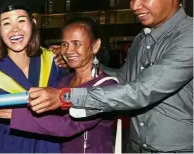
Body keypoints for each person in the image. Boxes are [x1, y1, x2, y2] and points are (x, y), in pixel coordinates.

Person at [27, 0, 193, 152]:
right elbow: (122, 80)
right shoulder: (142, 39)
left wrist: (66, 97)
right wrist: (82, 62)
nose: (135, 6)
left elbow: (143, 91)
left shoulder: (190, 36)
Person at [0, 0, 62, 153]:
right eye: (6, 23)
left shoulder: (53, 62)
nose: (15, 29)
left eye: (21, 20)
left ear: (33, 23)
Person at [8, 18, 118, 153]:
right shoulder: (64, 81)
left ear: (95, 46)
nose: (68, 50)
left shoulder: (106, 86)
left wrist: (11, 115)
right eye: (65, 44)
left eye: (76, 43)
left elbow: (67, 126)